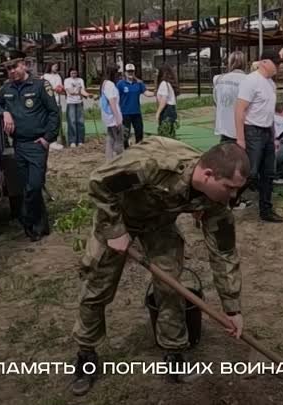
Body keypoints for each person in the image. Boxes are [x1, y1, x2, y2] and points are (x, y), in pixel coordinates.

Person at [69, 137, 248, 396]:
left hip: (159, 224)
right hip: (117, 217)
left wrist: (232, 308)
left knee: (171, 287)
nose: (233, 196)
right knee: (96, 288)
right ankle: (86, 356)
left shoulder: (216, 201)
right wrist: (116, 229)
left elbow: (224, 251)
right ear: (208, 175)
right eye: (230, 188)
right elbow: (99, 181)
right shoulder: (155, 163)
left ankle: (174, 355)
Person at [0, 50, 61, 242]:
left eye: (14, 66)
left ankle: (26, 220)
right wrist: (4, 112)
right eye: (8, 68)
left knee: (35, 186)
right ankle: (40, 227)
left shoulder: (39, 85)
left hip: (37, 144)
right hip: (19, 145)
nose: (11, 71)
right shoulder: (8, 88)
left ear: (24, 64)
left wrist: (48, 138)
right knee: (25, 187)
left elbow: (54, 112)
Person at [234, 50, 283, 223]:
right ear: (264, 62)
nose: (278, 66)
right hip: (252, 131)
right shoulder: (251, 81)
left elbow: (269, 112)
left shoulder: (270, 84)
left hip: (266, 132)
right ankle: (229, 200)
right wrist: (241, 138)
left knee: (268, 173)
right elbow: (240, 110)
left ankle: (266, 209)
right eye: (275, 62)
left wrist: (273, 135)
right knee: (251, 173)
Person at [117, 63, 155, 149]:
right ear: (125, 72)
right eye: (128, 71)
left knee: (139, 131)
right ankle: (126, 148)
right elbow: (116, 97)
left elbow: (146, 93)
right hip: (125, 112)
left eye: (132, 71)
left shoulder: (139, 83)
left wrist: (155, 93)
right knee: (126, 132)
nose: (130, 73)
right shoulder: (120, 84)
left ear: (134, 72)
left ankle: (139, 148)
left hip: (136, 112)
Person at [213, 51, 247, 143]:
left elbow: (216, 102)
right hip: (242, 128)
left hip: (223, 126)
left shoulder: (218, 79)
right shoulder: (248, 80)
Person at [99, 63, 123, 160]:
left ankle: (109, 160)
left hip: (107, 116)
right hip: (112, 116)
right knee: (119, 140)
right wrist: (118, 118)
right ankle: (121, 159)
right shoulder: (110, 85)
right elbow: (112, 101)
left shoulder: (104, 83)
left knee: (110, 138)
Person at [63, 67, 91, 147]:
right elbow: (70, 91)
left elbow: (82, 91)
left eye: (75, 73)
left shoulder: (80, 80)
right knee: (72, 121)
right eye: (72, 73)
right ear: (69, 73)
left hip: (79, 102)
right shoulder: (67, 80)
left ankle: (80, 140)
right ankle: (72, 141)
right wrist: (77, 91)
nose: (74, 75)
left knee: (80, 121)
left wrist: (87, 94)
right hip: (71, 102)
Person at [41, 62, 65, 151]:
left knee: (56, 121)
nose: (56, 67)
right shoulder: (46, 76)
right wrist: (53, 89)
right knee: (48, 121)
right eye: (55, 66)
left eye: (57, 66)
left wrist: (60, 88)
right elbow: (45, 87)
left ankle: (55, 140)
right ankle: (48, 141)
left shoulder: (58, 76)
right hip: (48, 101)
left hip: (57, 100)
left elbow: (61, 86)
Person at [155, 63, 180, 137]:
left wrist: (158, 113)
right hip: (171, 109)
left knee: (165, 132)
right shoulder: (169, 84)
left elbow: (163, 100)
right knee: (170, 132)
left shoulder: (163, 84)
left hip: (166, 111)